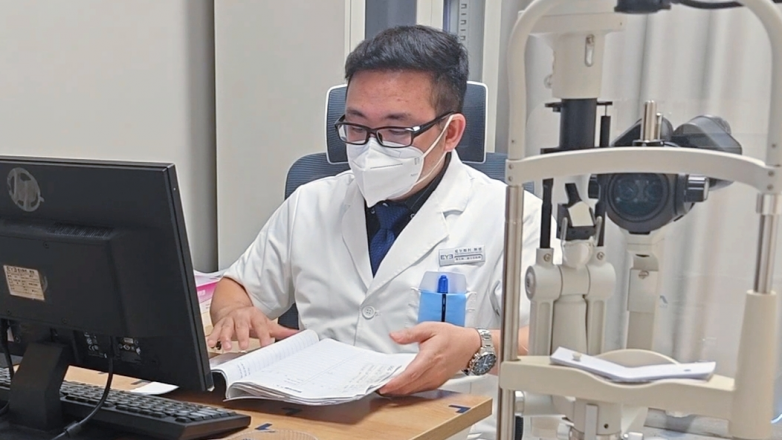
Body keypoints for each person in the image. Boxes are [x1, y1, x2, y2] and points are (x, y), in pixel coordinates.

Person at [207, 25, 549, 439]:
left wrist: (476, 347)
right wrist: (235, 314)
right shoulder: (311, 203)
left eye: (396, 131)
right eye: (356, 127)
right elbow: (237, 287)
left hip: (445, 429)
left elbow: (552, 341)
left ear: (451, 133)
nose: (371, 149)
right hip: (311, 422)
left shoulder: (512, 216)